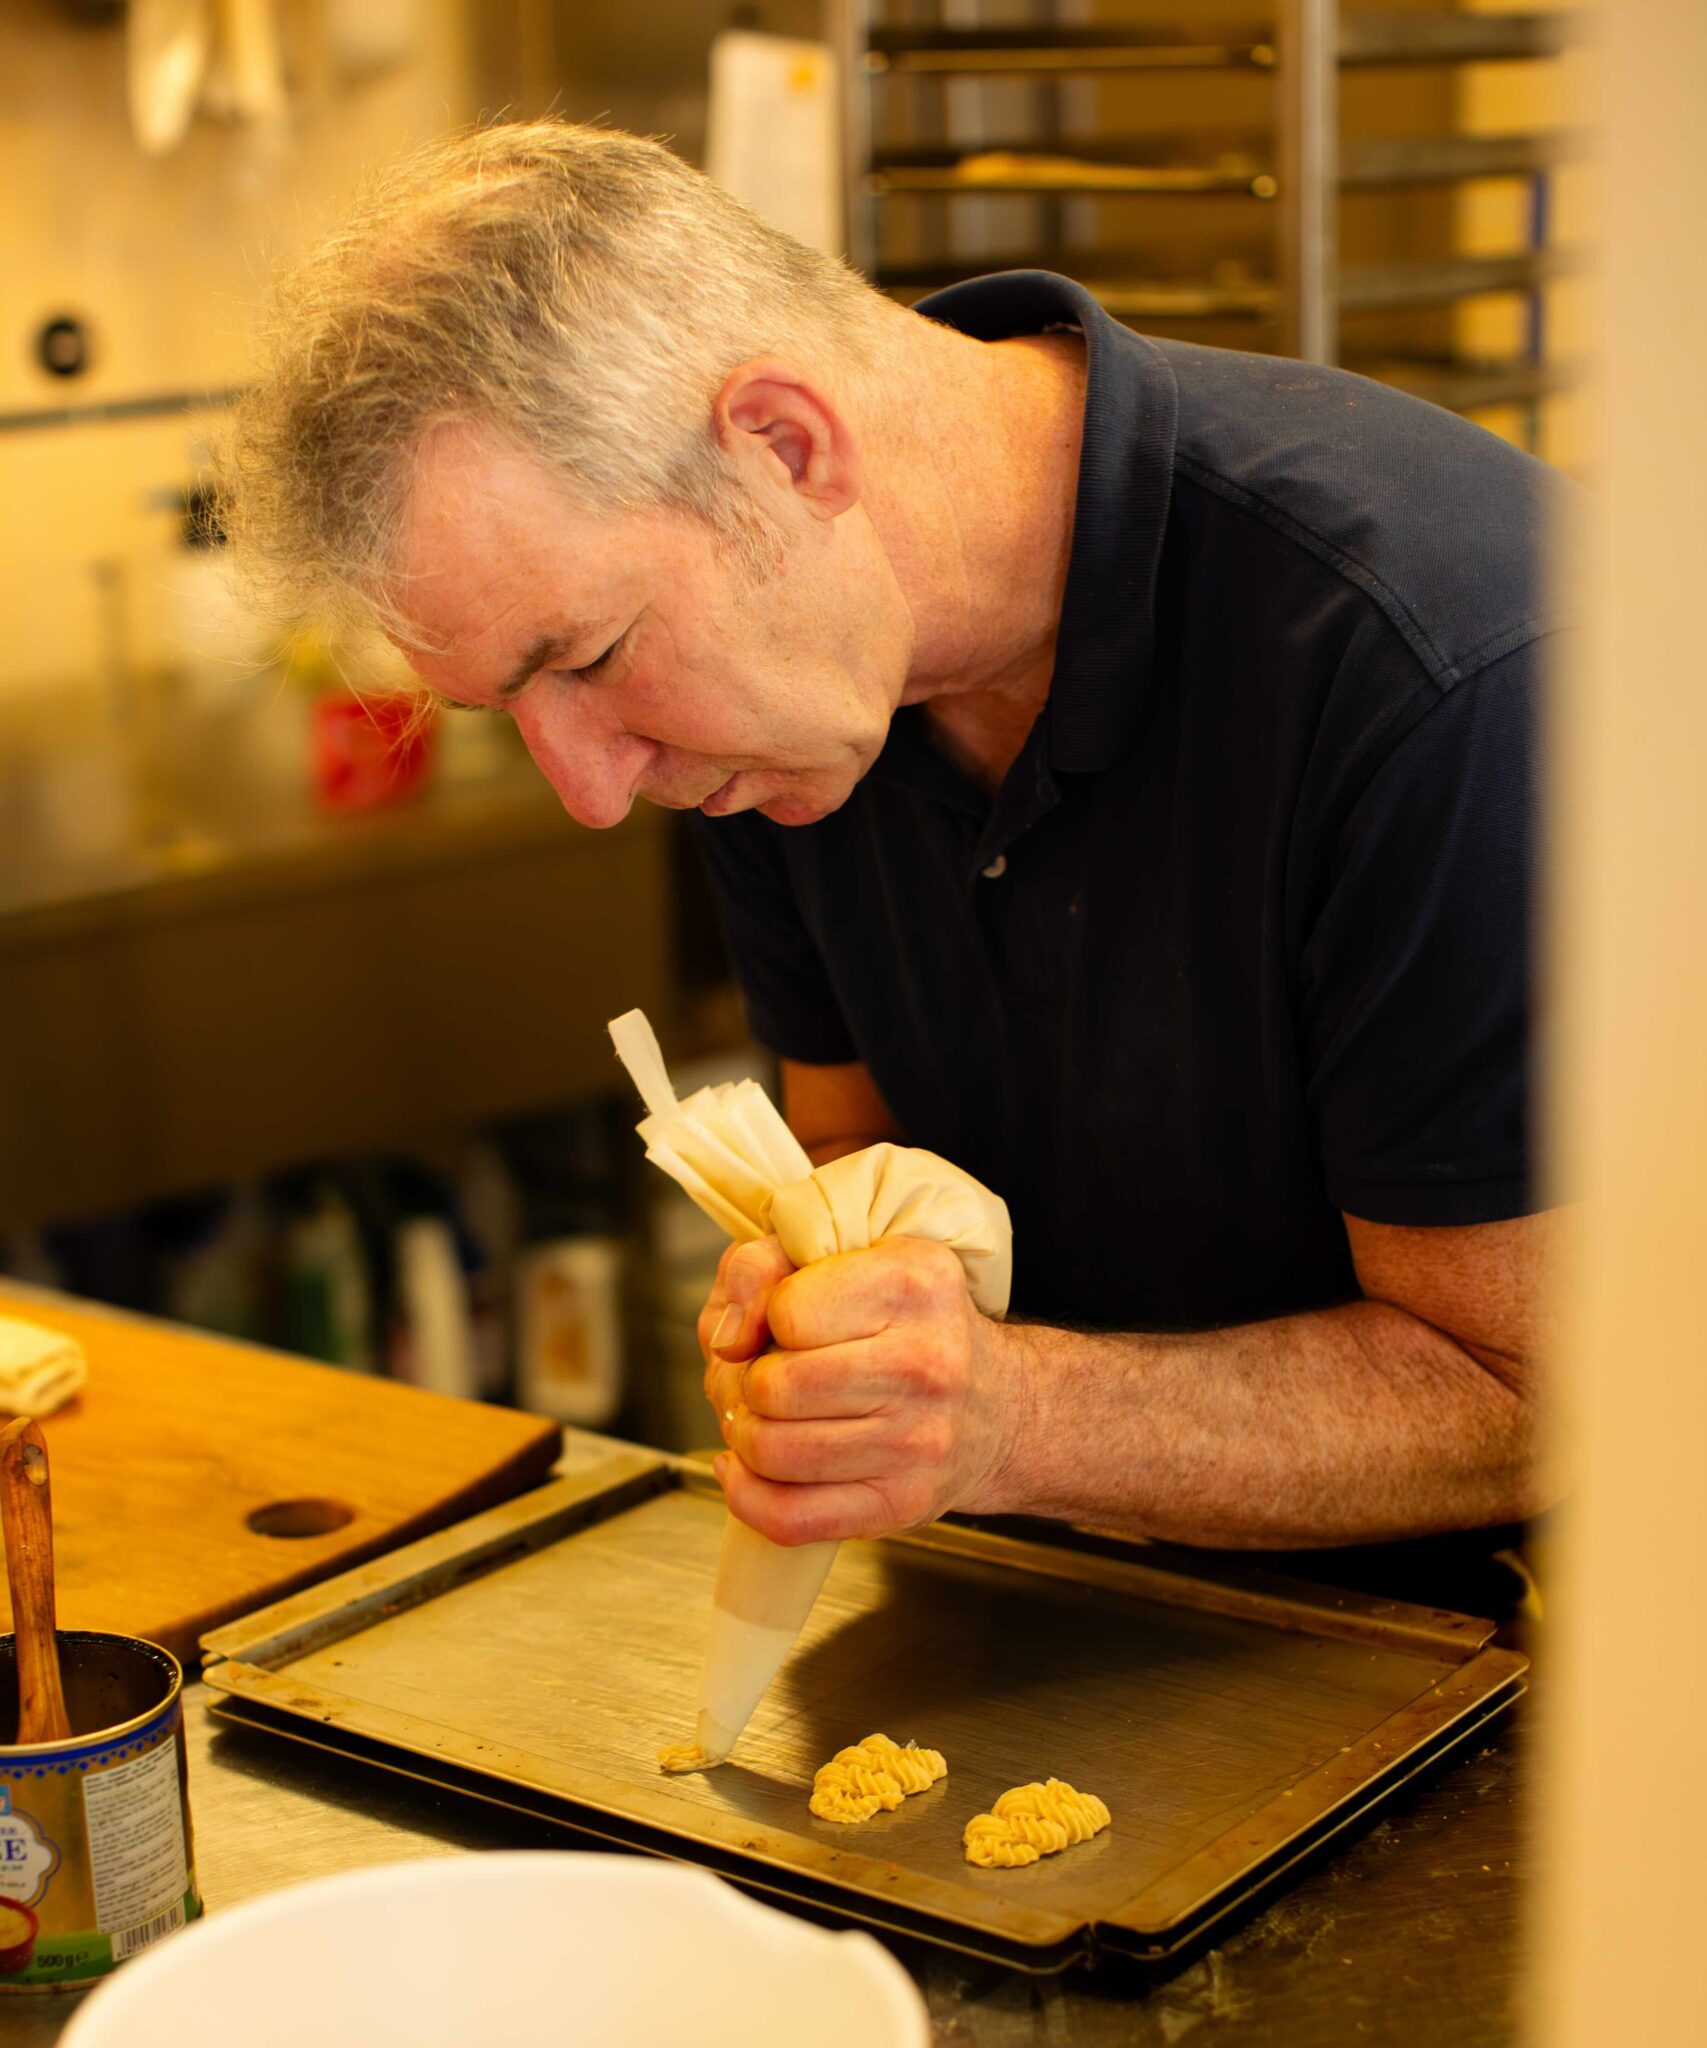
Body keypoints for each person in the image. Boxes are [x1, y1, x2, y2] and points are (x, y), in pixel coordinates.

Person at [224, 120, 1564, 1571]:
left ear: (787, 445)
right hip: (1076, 1604)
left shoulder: (1439, 675)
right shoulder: (783, 725)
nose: (594, 793)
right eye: (511, 709)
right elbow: (854, 1141)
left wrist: (1015, 1418)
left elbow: (1549, 1394)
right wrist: (838, 1319)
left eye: (594, 656)